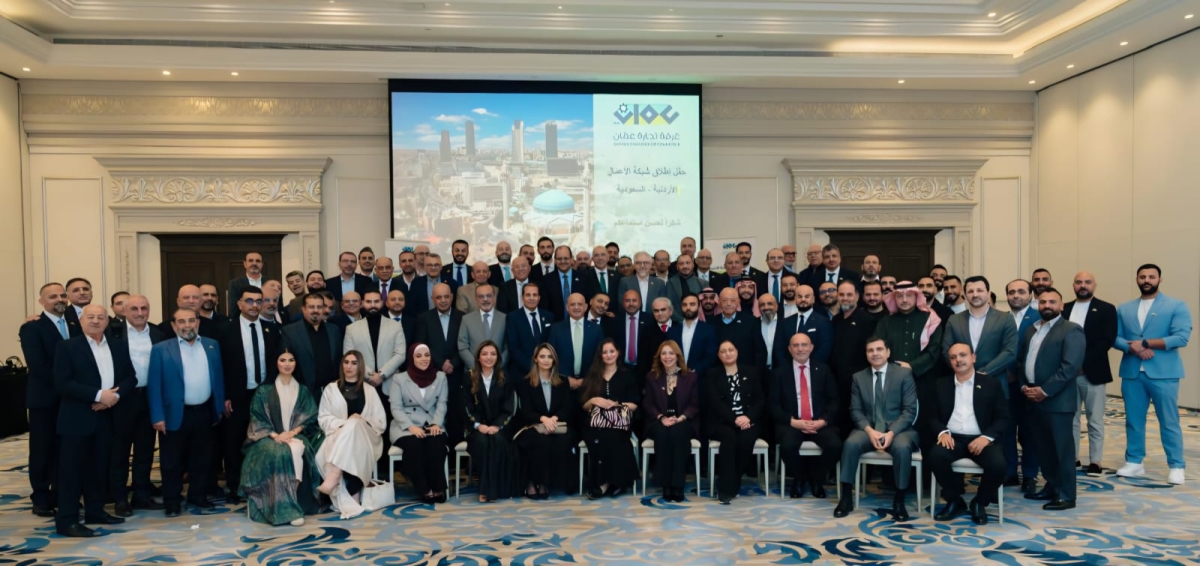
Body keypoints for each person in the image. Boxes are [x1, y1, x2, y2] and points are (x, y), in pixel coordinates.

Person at [52, 304, 136, 537]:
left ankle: (95, 511)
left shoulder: (118, 346)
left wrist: (114, 397)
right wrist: (99, 395)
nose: (96, 321)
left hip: (107, 417)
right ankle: (67, 520)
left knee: (99, 469)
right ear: (81, 321)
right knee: (71, 472)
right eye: (90, 317)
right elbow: (62, 383)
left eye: (101, 317)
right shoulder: (67, 347)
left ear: (107, 322)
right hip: (77, 418)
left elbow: (131, 377)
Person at [1113, 264, 1193, 485]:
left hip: (1164, 373)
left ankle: (1176, 465)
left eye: (1151, 276)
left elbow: (1181, 337)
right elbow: (1115, 337)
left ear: (1160, 279)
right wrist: (1134, 348)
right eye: (1142, 277)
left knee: (1169, 421)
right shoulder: (1124, 308)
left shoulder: (1176, 305)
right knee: (1133, 420)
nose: (1147, 280)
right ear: (1137, 279)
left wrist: (1146, 343)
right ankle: (1134, 462)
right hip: (1132, 372)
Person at [148, 307, 226, 517]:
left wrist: (219, 407)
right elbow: (154, 386)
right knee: (171, 462)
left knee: (202, 459)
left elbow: (218, 378)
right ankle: (172, 502)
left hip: (204, 412)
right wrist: (157, 416)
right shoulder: (161, 349)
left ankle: (197, 497)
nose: (187, 325)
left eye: (191, 320)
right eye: (181, 322)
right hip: (174, 414)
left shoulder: (211, 345)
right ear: (174, 326)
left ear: (198, 323)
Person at [834, 337, 919, 521]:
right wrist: (870, 431)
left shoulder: (903, 374)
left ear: (888, 352)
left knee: (902, 447)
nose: (875, 354)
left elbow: (909, 411)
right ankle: (846, 497)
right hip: (869, 429)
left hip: (899, 430)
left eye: (879, 349)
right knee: (850, 444)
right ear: (866, 354)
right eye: (870, 350)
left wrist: (891, 433)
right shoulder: (859, 377)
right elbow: (856, 410)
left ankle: (899, 500)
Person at [1018, 288, 1085, 511]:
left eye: (1052, 302)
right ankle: (1052, 486)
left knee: (1062, 450)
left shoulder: (1071, 330)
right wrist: (1024, 386)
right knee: (1044, 448)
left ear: (1061, 305)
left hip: (1057, 401)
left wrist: (1045, 390)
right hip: (1032, 398)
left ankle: (1066, 495)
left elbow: (1070, 367)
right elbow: (1023, 362)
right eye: (1043, 302)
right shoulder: (1032, 330)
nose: (1047, 305)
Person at [239, 349, 323, 527]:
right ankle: (288, 509)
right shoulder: (263, 391)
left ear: (296, 363)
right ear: (275, 363)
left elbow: (311, 418)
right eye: (282, 360)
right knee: (281, 452)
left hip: (295, 436)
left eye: (291, 360)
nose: (287, 364)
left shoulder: (303, 391)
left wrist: (291, 433)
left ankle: (291, 501)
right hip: (267, 438)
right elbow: (257, 419)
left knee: (296, 447)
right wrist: (276, 435)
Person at [929, 343, 1011, 525]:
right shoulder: (941, 384)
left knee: (998, 465)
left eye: (962, 355)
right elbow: (932, 416)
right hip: (953, 438)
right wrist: (942, 432)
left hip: (982, 439)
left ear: (973, 357)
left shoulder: (991, 384)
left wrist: (985, 438)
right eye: (953, 357)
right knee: (935, 456)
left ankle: (979, 502)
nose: (958, 360)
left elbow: (1003, 418)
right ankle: (954, 500)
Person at [18, 283, 80, 518]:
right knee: (42, 449)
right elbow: (38, 365)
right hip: (45, 399)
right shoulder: (32, 327)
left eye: (62, 295)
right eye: (52, 296)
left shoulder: (75, 325)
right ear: (41, 301)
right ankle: (41, 497)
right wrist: (69, 385)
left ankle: (61, 495)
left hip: (71, 401)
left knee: (66, 449)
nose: (59, 299)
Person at [106, 294, 170, 516]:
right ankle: (120, 498)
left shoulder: (158, 334)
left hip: (149, 397)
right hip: (122, 398)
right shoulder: (112, 332)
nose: (140, 313)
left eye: (144, 308)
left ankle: (141, 495)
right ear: (125, 310)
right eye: (134, 309)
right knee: (120, 451)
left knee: (145, 449)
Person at [218, 286, 282, 504]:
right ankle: (235, 486)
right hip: (236, 396)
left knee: (263, 441)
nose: (254, 305)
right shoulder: (226, 330)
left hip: (263, 395)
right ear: (239, 304)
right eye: (249, 301)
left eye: (258, 301)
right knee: (234, 442)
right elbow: (220, 365)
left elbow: (275, 364)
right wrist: (225, 395)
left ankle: (261, 484)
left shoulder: (271, 330)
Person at [315, 351, 387, 519]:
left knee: (355, 422)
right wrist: (346, 424)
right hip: (338, 435)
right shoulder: (331, 389)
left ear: (360, 366)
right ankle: (353, 496)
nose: (349, 366)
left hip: (367, 439)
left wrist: (359, 421)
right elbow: (323, 418)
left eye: (354, 363)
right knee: (350, 431)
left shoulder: (370, 390)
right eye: (346, 362)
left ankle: (335, 474)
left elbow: (381, 421)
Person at [770, 333, 842, 499]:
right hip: (792, 423)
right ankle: (799, 478)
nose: (800, 349)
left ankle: (817, 479)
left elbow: (834, 400)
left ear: (811, 347)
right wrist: (793, 422)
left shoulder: (823, 370)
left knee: (835, 445)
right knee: (787, 446)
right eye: (796, 345)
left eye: (804, 345)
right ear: (789, 349)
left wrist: (823, 421)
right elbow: (773, 405)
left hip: (819, 422)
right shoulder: (779, 372)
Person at [1062, 271, 1117, 476]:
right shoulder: (1065, 308)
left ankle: (1095, 461)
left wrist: (1082, 364)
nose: (1082, 285)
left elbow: (1106, 340)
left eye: (1087, 282)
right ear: (1073, 285)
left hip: (1094, 372)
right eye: (1078, 282)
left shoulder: (1106, 309)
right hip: (1067, 374)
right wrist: (1070, 366)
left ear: (1094, 285)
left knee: (1095, 419)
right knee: (1071, 418)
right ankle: (1073, 457)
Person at [388, 343, 449, 504]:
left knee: (436, 443)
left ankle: (438, 487)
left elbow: (442, 404)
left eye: (427, 355)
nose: (424, 359)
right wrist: (411, 426)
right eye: (419, 356)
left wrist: (436, 424)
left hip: (431, 422)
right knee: (414, 445)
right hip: (405, 426)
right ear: (411, 358)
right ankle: (424, 489)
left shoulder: (440, 377)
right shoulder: (399, 379)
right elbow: (396, 407)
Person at [706, 340, 765, 504]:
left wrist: (748, 418)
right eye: (723, 351)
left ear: (737, 352)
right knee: (730, 438)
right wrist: (735, 419)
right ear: (718, 355)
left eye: (731, 350)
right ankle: (725, 489)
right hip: (722, 421)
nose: (727, 354)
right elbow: (715, 402)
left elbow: (760, 400)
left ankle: (734, 480)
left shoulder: (751, 372)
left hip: (748, 421)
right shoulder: (713, 374)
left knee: (746, 439)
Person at [581, 339, 640, 499]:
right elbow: (584, 406)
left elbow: (635, 404)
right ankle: (612, 483)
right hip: (595, 424)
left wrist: (617, 405)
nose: (608, 355)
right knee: (599, 437)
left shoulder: (627, 375)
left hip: (618, 423)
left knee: (613, 437)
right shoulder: (593, 375)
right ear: (600, 355)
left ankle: (605, 484)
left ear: (618, 353)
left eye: (612, 351)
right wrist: (594, 400)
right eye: (605, 352)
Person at [514, 344, 574, 498]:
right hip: (532, 426)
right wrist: (543, 419)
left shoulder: (563, 381)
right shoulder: (525, 383)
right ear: (535, 359)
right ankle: (531, 482)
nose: (546, 360)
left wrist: (553, 419)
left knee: (564, 440)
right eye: (542, 356)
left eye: (550, 357)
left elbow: (567, 408)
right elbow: (526, 412)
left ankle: (545, 483)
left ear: (554, 360)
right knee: (540, 441)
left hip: (556, 425)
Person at [642, 340, 699, 502]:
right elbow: (648, 403)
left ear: (677, 356)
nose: (667, 357)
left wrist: (681, 418)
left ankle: (677, 485)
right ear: (659, 357)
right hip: (659, 420)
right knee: (662, 434)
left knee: (677, 433)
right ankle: (666, 484)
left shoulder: (690, 377)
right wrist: (662, 418)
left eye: (671, 353)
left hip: (683, 420)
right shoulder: (652, 377)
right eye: (664, 353)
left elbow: (695, 404)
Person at [941, 276, 1018, 395]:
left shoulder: (1005, 319)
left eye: (980, 290)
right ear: (964, 295)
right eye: (970, 291)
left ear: (988, 293)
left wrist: (982, 373)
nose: (975, 294)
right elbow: (946, 350)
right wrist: (965, 372)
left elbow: (1010, 352)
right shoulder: (954, 320)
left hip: (995, 384)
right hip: (962, 385)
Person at [463, 341, 515, 502]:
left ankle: (490, 490)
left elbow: (509, 407)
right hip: (476, 427)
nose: (489, 357)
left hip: (499, 427)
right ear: (478, 357)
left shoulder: (505, 377)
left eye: (493, 354)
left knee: (497, 441)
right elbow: (465, 406)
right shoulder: (469, 377)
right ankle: (488, 490)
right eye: (484, 354)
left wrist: (497, 425)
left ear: (498, 357)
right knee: (483, 443)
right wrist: (478, 425)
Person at [280, 293, 344, 398]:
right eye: (311, 307)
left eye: (319, 307)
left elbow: (339, 359)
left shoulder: (334, 330)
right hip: (303, 392)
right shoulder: (290, 331)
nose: (316, 310)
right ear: (303, 309)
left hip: (332, 391)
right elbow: (286, 363)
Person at [458, 283, 508, 370]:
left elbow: (508, 347)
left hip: (499, 371)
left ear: (494, 297)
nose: (485, 299)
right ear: (476, 299)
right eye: (481, 296)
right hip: (474, 372)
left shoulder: (505, 318)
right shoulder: (466, 319)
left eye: (489, 296)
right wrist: (476, 367)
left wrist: (497, 366)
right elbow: (463, 346)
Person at [668, 295, 717, 381]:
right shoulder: (673, 330)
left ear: (698, 306)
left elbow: (711, 356)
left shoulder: (708, 329)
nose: (688, 308)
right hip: (676, 378)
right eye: (684, 305)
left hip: (700, 379)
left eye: (692, 304)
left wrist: (696, 370)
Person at [227, 252, 265, 317]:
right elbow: (233, 309)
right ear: (245, 264)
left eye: (257, 261)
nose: (254, 263)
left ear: (262, 264)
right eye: (251, 260)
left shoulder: (270, 283)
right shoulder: (235, 284)